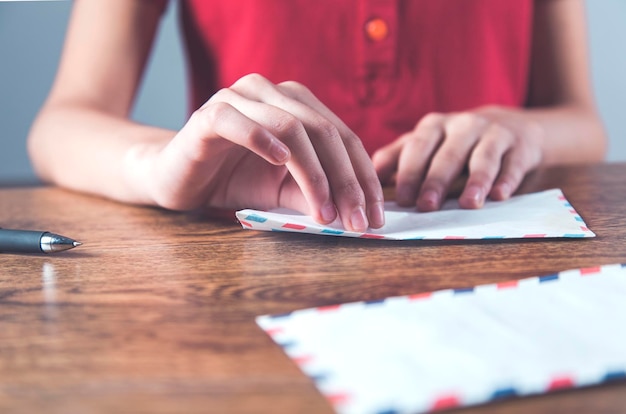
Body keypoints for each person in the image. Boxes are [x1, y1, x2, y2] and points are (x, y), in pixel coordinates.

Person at [28, 0, 606, 233]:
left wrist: (525, 130)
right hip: (244, 274)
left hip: (500, 263)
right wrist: (159, 166)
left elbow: (583, 122)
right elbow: (62, 123)